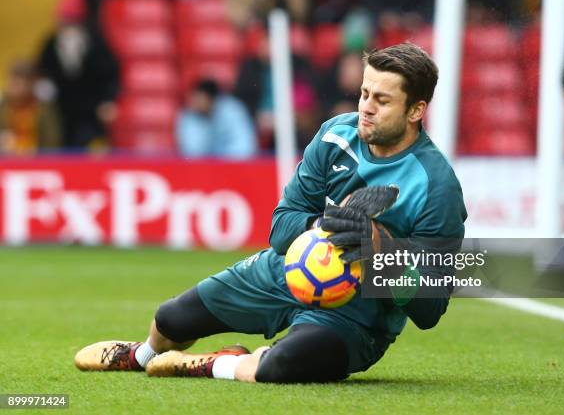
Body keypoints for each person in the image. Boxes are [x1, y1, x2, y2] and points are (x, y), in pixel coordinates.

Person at [74, 43, 467, 383]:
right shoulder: (334, 134)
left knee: (281, 365)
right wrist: (321, 225)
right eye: (364, 94)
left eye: (382, 101)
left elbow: (431, 308)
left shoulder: (437, 187)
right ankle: (143, 355)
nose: (365, 108)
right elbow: (282, 228)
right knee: (172, 318)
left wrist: (380, 250)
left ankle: (217, 365)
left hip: (356, 318)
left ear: (416, 110)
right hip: (286, 271)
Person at [38, 0, 119, 151]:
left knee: (92, 145)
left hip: (91, 109)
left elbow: (110, 74)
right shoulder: (51, 44)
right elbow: (42, 70)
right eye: (65, 23)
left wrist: (108, 100)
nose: (69, 28)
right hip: (60, 108)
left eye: (73, 23)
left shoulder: (96, 44)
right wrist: (44, 86)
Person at [176, 79, 257, 158]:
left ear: (213, 99)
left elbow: (246, 147)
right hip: (203, 168)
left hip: (233, 167)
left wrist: (222, 163)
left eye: (200, 98)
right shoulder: (188, 116)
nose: (196, 102)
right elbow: (191, 152)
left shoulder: (233, 110)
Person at [0, 60, 61, 154]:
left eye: (19, 83)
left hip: (37, 161)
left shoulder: (44, 109)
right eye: (12, 81)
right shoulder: (2, 106)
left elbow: (53, 142)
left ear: (32, 84)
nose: (14, 87)